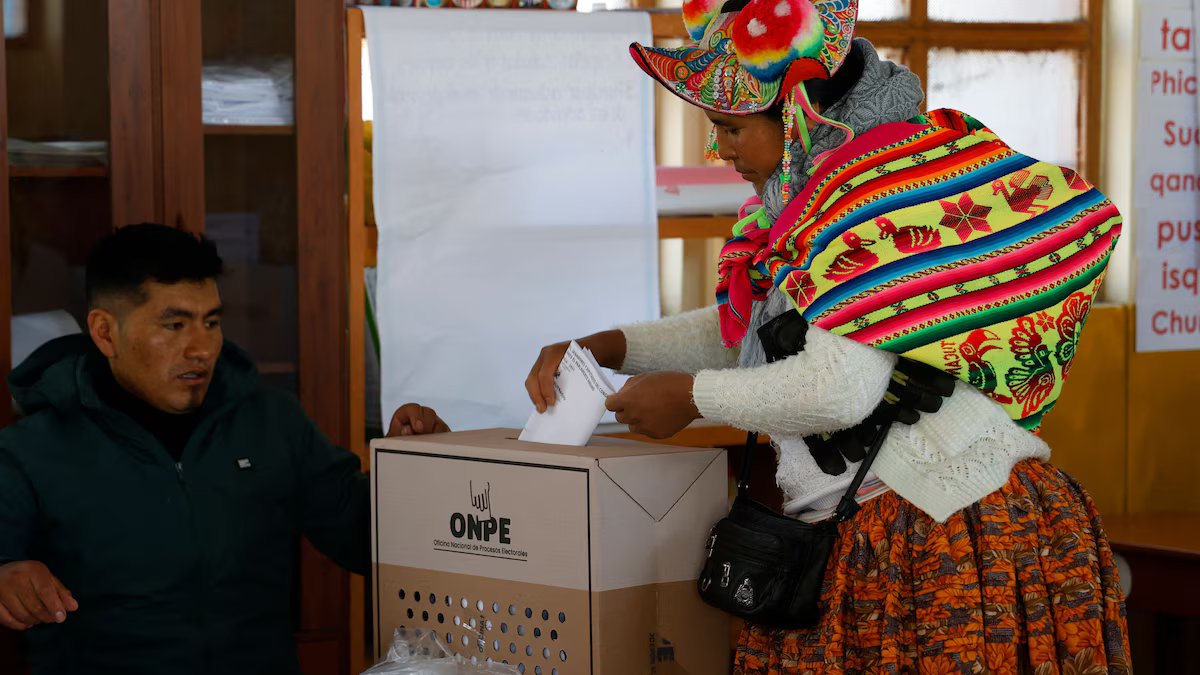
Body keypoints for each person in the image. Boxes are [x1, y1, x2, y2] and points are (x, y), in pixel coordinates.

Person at [528, 1, 1132, 672]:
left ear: (794, 120)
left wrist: (693, 398)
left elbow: (840, 385)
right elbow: (764, 328)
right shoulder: (817, 202)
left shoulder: (871, 203)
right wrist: (609, 347)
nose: (718, 151)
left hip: (934, 532)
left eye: (731, 130)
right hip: (886, 523)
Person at [0, 223, 449, 674]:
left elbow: (366, 541)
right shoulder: (31, 451)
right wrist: (7, 577)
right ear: (104, 333)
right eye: (174, 325)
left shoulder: (272, 422)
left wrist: (413, 473)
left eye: (211, 322)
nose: (201, 349)